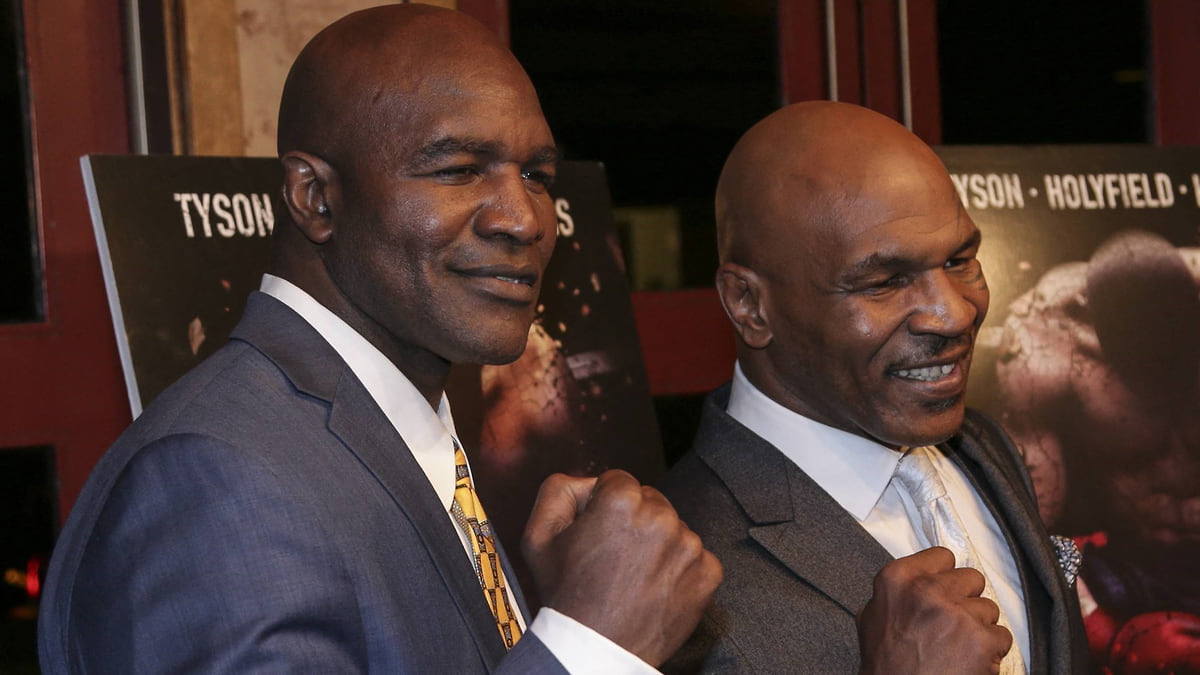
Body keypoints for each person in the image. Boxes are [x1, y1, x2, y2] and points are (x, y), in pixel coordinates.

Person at [38, 5, 721, 673]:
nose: (525, 219)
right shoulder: (219, 481)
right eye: (458, 169)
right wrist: (593, 648)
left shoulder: (396, 432)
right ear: (315, 198)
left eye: (537, 175)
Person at [659, 101, 1087, 674]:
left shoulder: (984, 448)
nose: (955, 313)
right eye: (885, 281)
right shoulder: (676, 580)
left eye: (960, 260)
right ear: (749, 304)